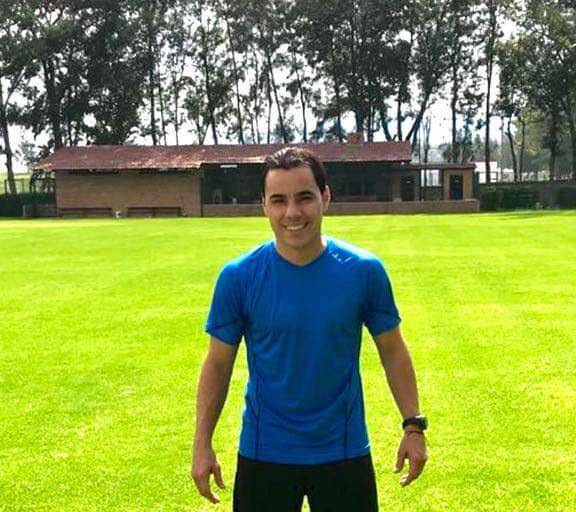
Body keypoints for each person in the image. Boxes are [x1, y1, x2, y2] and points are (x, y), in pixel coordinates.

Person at [191, 147, 428, 511]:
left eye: (304, 197)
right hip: (264, 453)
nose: (292, 212)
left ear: (325, 197)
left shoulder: (363, 271)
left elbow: (392, 350)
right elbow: (218, 363)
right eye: (278, 200)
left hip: (344, 452)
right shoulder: (239, 277)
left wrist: (413, 426)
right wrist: (201, 443)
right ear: (264, 205)